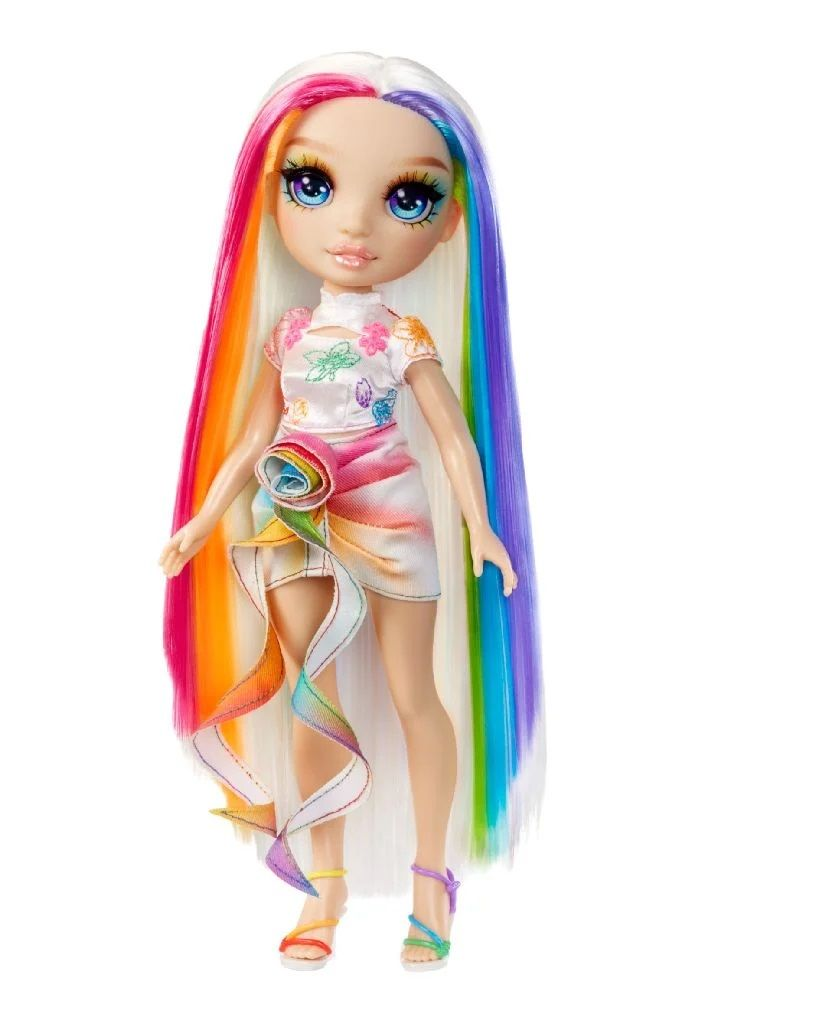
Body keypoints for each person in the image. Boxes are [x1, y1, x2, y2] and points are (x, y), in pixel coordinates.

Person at [159, 52, 544, 971]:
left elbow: (454, 438)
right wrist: (206, 517)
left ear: (451, 222)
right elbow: (253, 438)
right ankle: (322, 884)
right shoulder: (288, 332)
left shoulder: (402, 334)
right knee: (309, 695)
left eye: (407, 198)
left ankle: (431, 880)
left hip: (392, 516)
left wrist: (482, 524)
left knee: (416, 695)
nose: (355, 225)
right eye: (313, 184)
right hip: (293, 517)